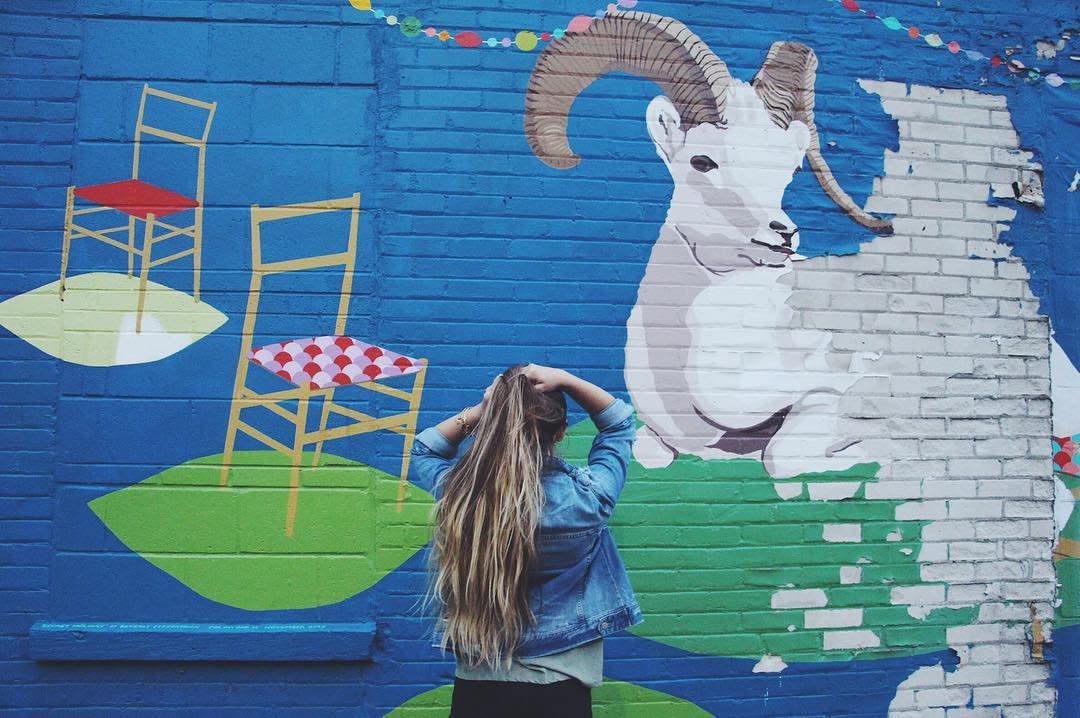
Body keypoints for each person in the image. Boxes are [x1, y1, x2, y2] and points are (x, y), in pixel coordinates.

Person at [409, 363, 642, 718]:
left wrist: (486, 409)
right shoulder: (588, 499)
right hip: (561, 681)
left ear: (492, 424)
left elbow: (426, 449)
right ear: (561, 432)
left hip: (479, 679)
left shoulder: (462, 493)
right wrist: (566, 378)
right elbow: (619, 422)